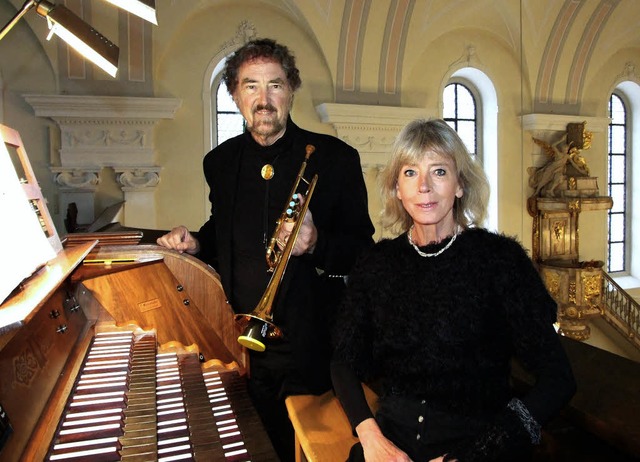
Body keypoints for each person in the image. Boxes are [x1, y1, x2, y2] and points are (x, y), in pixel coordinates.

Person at [157, 38, 375, 461]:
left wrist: (317, 244)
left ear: (291, 89)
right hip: (240, 345)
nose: (263, 99)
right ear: (235, 94)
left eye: (274, 85)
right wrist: (195, 243)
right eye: (251, 85)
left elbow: (363, 252)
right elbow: (223, 233)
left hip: (315, 348)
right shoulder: (218, 163)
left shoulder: (335, 158)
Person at [331, 119, 576, 462]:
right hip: (389, 444)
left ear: (460, 184)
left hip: (477, 445)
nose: (424, 187)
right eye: (410, 173)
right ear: (397, 188)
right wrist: (369, 435)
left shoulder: (499, 261)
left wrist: (477, 453)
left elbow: (558, 379)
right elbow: (343, 361)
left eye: (440, 172)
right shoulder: (375, 264)